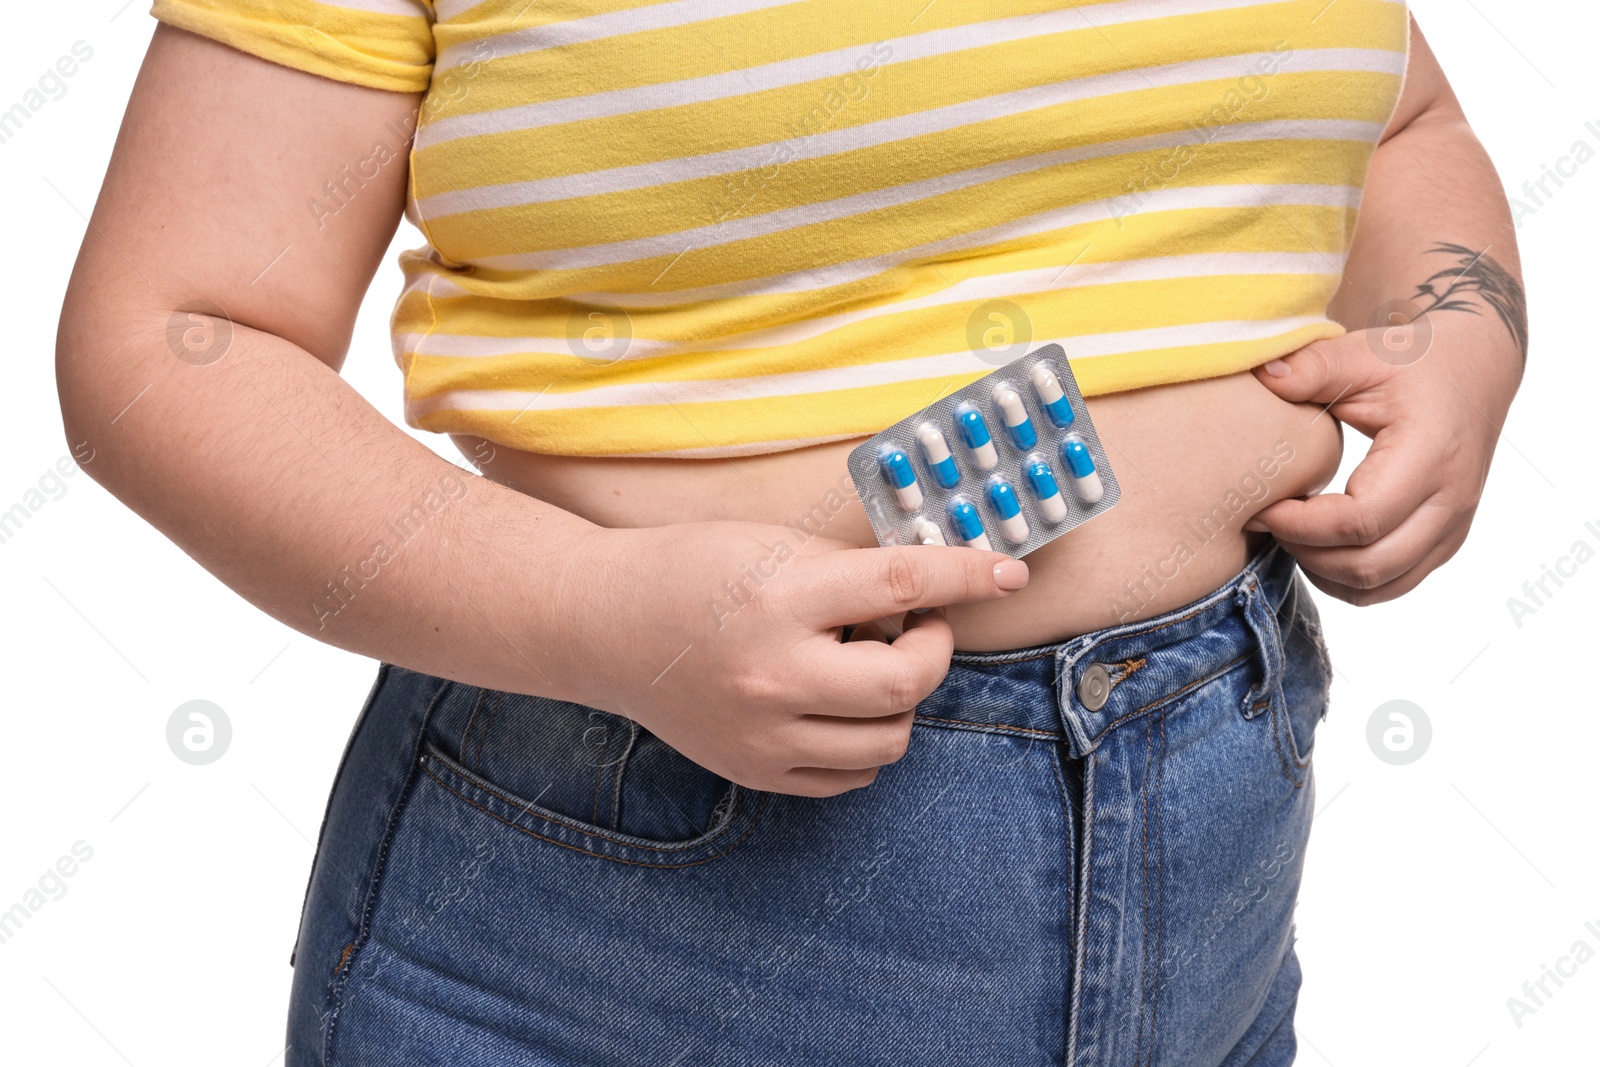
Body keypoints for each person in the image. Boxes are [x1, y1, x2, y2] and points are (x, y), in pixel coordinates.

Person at [57, 2, 1525, 1063]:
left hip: (1223, 807)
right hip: (634, 884)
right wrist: (591, 610)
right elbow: (171, 336)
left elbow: (1403, 118)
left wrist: (1460, 332)